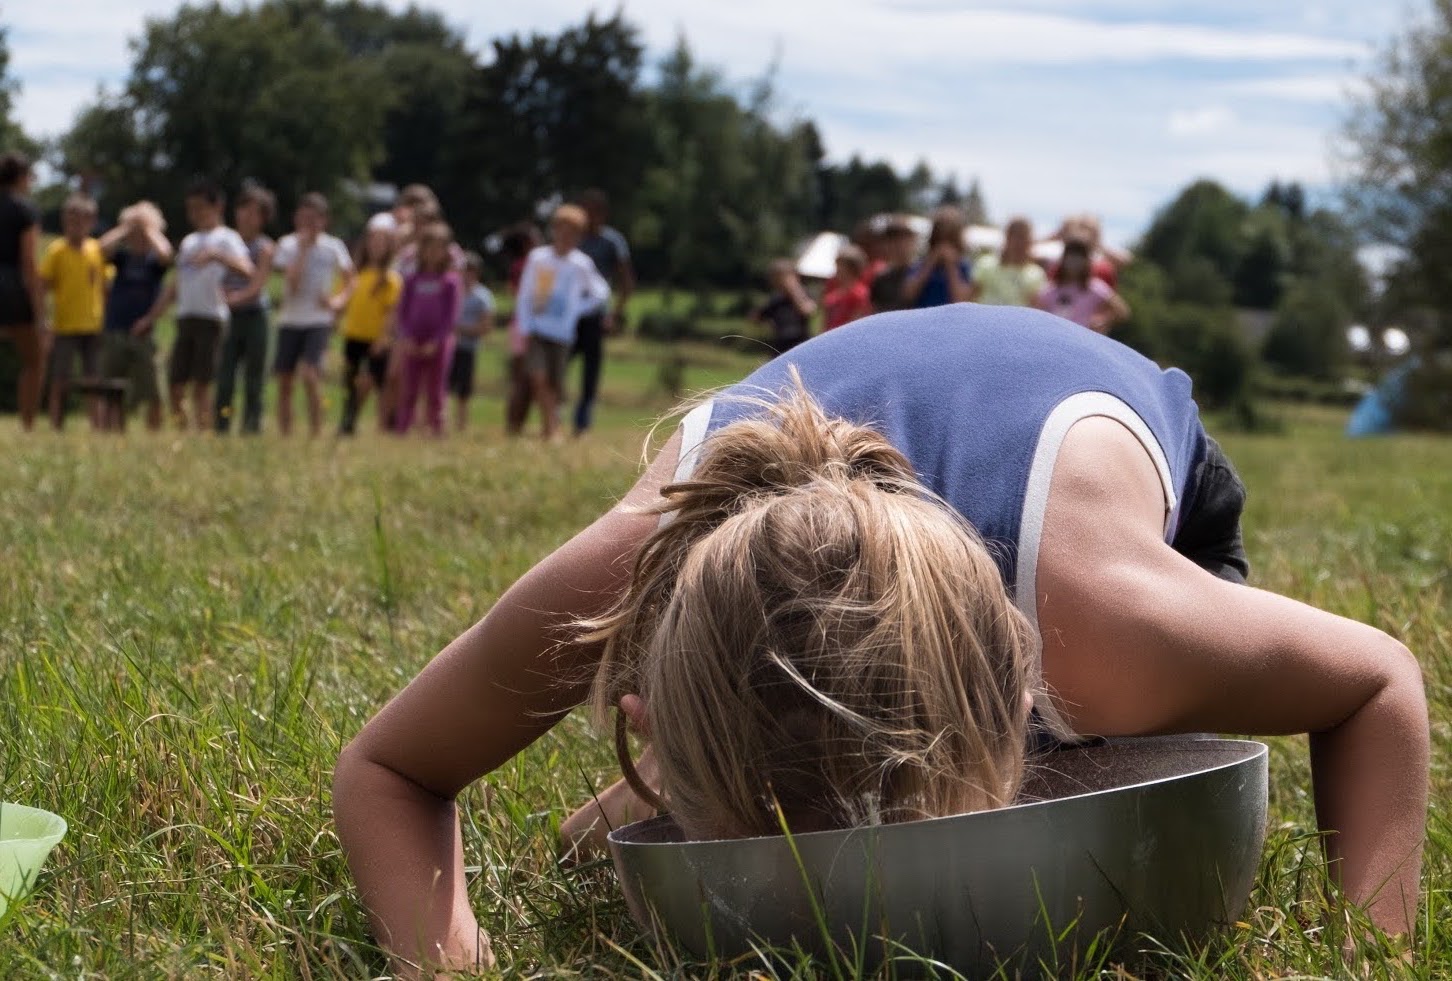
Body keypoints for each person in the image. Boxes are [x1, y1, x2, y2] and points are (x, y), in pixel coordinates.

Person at [334, 305, 1428, 975]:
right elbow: (388, 768)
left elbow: (1378, 683)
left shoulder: (1102, 636)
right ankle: (688, 793)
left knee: (1096, 775)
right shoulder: (624, 576)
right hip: (838, 513)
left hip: (1093, 448)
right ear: (644, 699)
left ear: (1018, 696)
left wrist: (1366, 956)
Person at [142, 180, 253, 432]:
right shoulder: (189, 241)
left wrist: (217, 256)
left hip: (211, 317)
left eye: (201, 207)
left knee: (203, 383)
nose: (195, 214)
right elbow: (175, 286)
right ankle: (183, 432)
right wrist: (151, 317)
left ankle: (204, 433)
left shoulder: (227, 238)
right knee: (176, 382)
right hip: (185, 317)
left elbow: (247, 269)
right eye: (191, 208)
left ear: (218, 207)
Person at [515, 205, 609, 442]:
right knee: (538, 377)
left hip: (562, 333)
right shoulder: (538, 258)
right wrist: (524, 325)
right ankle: (550, 428)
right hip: (537, 328)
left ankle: (551, 427)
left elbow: (600, 293)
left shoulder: (581, 264)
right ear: (554, 230)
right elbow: (525, 293)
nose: (566, 237)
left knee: (555, 383)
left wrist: (577, 309)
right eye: (563, 231)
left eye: (573, 233)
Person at [273, 193, 354, 438]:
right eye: (303, 218)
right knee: (285, 380)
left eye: (312, 219)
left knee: (310, 375)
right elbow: (293, 283)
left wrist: (338, 301)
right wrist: (303, 251)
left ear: (323, 220)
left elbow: (352, 279)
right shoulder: (287, 245)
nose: (307, 224)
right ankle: (285, 434)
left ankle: (315, 431)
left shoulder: (334, 246)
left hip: (318, 320)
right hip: (290, 319)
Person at [97, 200, 171, 432]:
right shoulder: (121, 257)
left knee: (153, 390)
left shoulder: (153, 263)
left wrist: (149, 229)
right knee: (111, 388)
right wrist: (126, 228)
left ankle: (154, 434)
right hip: (115, 327)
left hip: (144, 332)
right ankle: (113, 433)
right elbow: (100, 248)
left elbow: (166, 253)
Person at [39, 194, 107, 430]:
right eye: (70, 221)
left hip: (93, 325)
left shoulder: (97, 250)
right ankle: (56, 426)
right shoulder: (56, 250)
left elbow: (105, 285)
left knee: (94, 380)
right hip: (64, 325)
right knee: (60, 379)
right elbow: (43, 286)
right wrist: (44, 319)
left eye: (80, 221)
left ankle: (96, 426)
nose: (74, 226)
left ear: (91, 221)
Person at [572, 190, 635, 437]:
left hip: (596, 314)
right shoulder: (575, 239)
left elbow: (626, 281)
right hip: (569, 315)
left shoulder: (612, 242)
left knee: (590, 372)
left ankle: (582, 423)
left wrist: (615, 314)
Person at [215, 184, 277, 435]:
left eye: (255, 212)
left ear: (264, 218)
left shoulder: (264, 247)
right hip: (228, 316)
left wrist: (230, 299)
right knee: (225, 375)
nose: (248, 217)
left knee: (254, 377)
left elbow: (257, 286)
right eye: (244, 210)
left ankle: (251, 428)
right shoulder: (225, 242)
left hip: (254, 317)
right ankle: (220, 427)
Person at [393, 222, 460, 436]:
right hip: (413, 341)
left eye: (439, 247)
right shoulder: (412, 280)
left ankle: (436, 429)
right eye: (429, 247)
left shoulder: (451, 282)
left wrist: (438, 340)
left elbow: (451, 316)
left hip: (438, 343)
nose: (433, 253)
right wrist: (406, 337)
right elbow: (402, 312)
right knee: (409, 388)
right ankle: (403, 429)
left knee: (435, 389)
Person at [339, 213, 402, 437]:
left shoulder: (392, 279)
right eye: (373, 240)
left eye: (382, 242)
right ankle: (348, 423)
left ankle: (385, 425)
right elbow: (342, 301)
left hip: (375, 339)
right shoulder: (355, 274)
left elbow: (391, 313)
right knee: (350, 384)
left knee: (372, 383)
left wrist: (383, 339)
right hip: (353, 336)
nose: (376, 246)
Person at [0, 153, 46, 430]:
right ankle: (27, 424)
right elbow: (29, 263)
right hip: (11, 287)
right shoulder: (24, 210)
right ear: (20, 178)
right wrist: (40, 314)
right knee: (34, 360)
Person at [1035, 239, 1130, 334]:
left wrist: (1103, 320)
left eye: (1080, 255)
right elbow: (1036, 313)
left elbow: (1122, 311)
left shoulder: (1095, 287)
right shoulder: (1050, 288)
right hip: (1054, 337)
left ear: (1087, 261)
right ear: (1063, 259)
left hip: (1082, 341)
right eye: (1071, 254)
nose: (1075, 259)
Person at [502, 222, 542, 437]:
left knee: (521, 381)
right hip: (526, 327)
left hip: (517, 327)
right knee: (523, 381)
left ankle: (515, 425)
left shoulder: (518, 265)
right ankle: (513, 425)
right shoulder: (529, 265)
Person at [448, 251, 494, 433]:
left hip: (468, 348)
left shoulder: (483, 296)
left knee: (463, 390)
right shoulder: (453, 290)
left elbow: (485, 326)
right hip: (450, 347)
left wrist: (461, 330)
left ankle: (461, 424)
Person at [902, 206, 972, 309]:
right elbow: (908, 295)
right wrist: (931, 262)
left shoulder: (964, 266)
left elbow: (960, 299)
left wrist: (950, 266)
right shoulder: (920, 264)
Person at [971, 216, 1047, 307]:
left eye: (1023, 236)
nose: (1019, 242)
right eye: (1015, 235)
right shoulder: (986, 264)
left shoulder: (1036, 274)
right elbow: (970, 296)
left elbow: (1037, 309)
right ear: (1007, 237)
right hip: (985, 320)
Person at [752, 259, 815, 355]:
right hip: (780, 345)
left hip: (801, 343)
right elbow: (755, 318)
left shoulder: (804, 294)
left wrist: (794, 290)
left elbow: (807, 310)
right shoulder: (775, 299)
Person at [1050, 213, 1129, 290]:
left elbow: (1124, 261)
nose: (1083, 233)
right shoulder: (1054, 252)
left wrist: (1096, 243)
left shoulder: (1101, 258)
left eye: (1088, 229)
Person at [868, 216, 918, 314]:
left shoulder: (922, 272)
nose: (898, 245)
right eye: (893, 239)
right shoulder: (881, 278)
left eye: (903, 238)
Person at [821, 244, 872, 331]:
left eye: (841, 266)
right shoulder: (834, 292)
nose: (837, 270)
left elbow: (857, 322)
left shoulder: (859, 293)